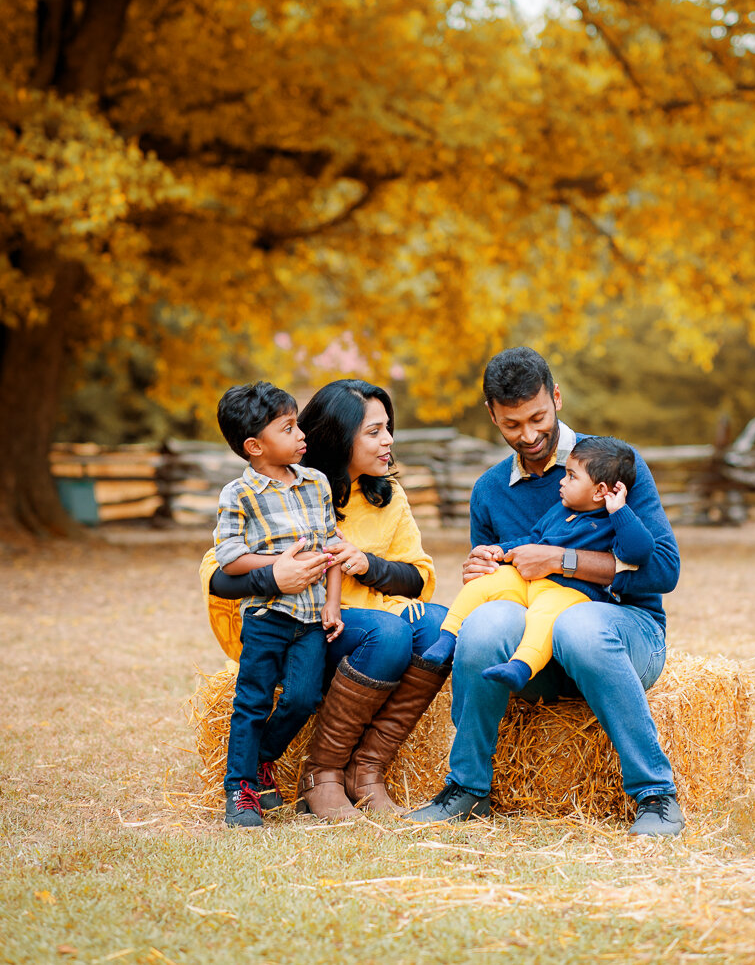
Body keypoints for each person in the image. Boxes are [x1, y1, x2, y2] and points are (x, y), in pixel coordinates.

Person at [409, 347, 684, 837]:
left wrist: (562, 560)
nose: (529, 435)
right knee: (485, 622)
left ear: (556, 398)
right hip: (532, 658)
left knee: (578, 625)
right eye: (512, 424)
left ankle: (655, 794)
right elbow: (504, 585)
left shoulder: (612, 464)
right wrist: (483, 565)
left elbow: (662, 568)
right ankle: (467, 788)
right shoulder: (489, 490)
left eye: (538, 417)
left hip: (620, 637)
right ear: (492, 415)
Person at [200, 379, 449, 821]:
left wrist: (365, 563)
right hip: (294, 621)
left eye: (387, 428)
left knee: (441, 627)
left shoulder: (381, 495)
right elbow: (218, 574)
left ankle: (366, 769)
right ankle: (321, 772)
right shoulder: (281, 487)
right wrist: (275, 573)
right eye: (373, 432)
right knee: (388, 634)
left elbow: (418, 577)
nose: (388, 440)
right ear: (338, 436)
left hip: (342, 620)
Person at [422, 437, 656, 691]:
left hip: (570, 594)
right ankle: (448, 638)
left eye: (571, 476)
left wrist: (620, 511)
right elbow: (533, 539)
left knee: (542, 616)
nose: (562, 481)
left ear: (599, 491)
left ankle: (521, 666)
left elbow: (639, 552)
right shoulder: (559, 510)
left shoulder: (612, 524)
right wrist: (501, 550)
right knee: (488, 582)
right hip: (531, 582)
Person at [213, 381, 343, 829]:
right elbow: (229, 558)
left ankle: (263, 759)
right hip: (267, 617)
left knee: (305, 697)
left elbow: (332, 548)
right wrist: (277, 567)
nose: (301, 434)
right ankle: (239, 789)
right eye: (288, 428)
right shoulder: (239, 495)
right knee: (251, 701)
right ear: (254, 446)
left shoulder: (316, 483)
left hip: (310, 619)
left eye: (297, 424)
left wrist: (334, 604)